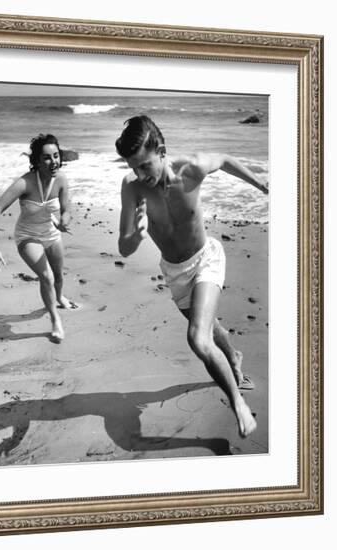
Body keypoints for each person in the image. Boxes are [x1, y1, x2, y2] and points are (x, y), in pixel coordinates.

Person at [115, 115, 269, 438]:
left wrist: (261, 185)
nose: (140, 174)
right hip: (175, 273)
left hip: (206, 259)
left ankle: (238, 402)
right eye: (133, 168)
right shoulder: (132, 189)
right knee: (210, 329)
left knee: (198, 338)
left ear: (162, 151)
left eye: (145, 165)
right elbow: (124, 248)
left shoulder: (191, 170)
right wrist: (137, 235)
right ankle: (234, 356)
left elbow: (225, 160)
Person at [0, 133, 77, 343]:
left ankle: (60, 297)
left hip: (52, 234)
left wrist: (64, 220)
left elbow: (67, 209)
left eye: (56, 156)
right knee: (47, 277)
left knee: (59, 276)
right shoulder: (24, 183)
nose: (53, 161)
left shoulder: (61, 179)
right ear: (37, 161)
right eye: (47, 157)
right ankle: (55, 321)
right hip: (28, 236)